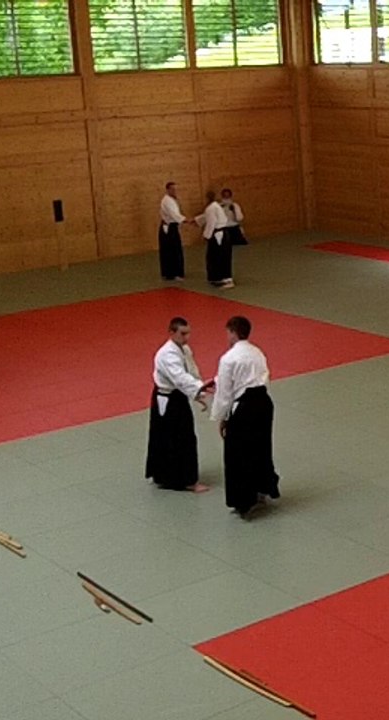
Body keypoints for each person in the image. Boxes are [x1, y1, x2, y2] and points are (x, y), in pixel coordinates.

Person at [210, 316, 279, 519]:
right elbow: (263, 376)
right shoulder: (257, 352)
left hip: (244, 407)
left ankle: (243, 500)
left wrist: (221, 417)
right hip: (264, 403)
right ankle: (262, 490)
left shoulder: (228, 358)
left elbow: (225, 392)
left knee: (238, 454)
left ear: (232, 332)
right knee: (261, 447)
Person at [146, 317, 214, 493]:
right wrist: (199, 388)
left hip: (178, 396)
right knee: (183, 438)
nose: (186, 337)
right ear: (171, 333)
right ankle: (187, 480)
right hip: (168, 399)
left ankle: (165, 475)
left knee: (172, 437)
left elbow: (191, 371)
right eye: (183, 334)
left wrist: (200, 391)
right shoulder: (167, 354)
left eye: (188, 333)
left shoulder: (184, 349)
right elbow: (180, 377)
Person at [197, 191, 233, 288]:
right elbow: (205, 217)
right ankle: (216, 277)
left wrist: (206, 236)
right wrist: (196, 220)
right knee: (220, 256)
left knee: (218, 257)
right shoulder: (215, 206)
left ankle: (225, 279)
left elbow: (211, 223)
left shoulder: (211, 208)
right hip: (222, 233)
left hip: (217, 234)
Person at [158, 182, 189, 281]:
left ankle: (170, 272)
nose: (175, 191)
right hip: (169, 228)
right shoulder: (167, 201)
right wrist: (186, 220)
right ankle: (174, 273)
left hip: (172, 227)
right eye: (172, 189)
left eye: (176, 189)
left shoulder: (172, 200)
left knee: (172, 249)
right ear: (167, 190)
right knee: (172, 250)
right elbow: (174, 215)